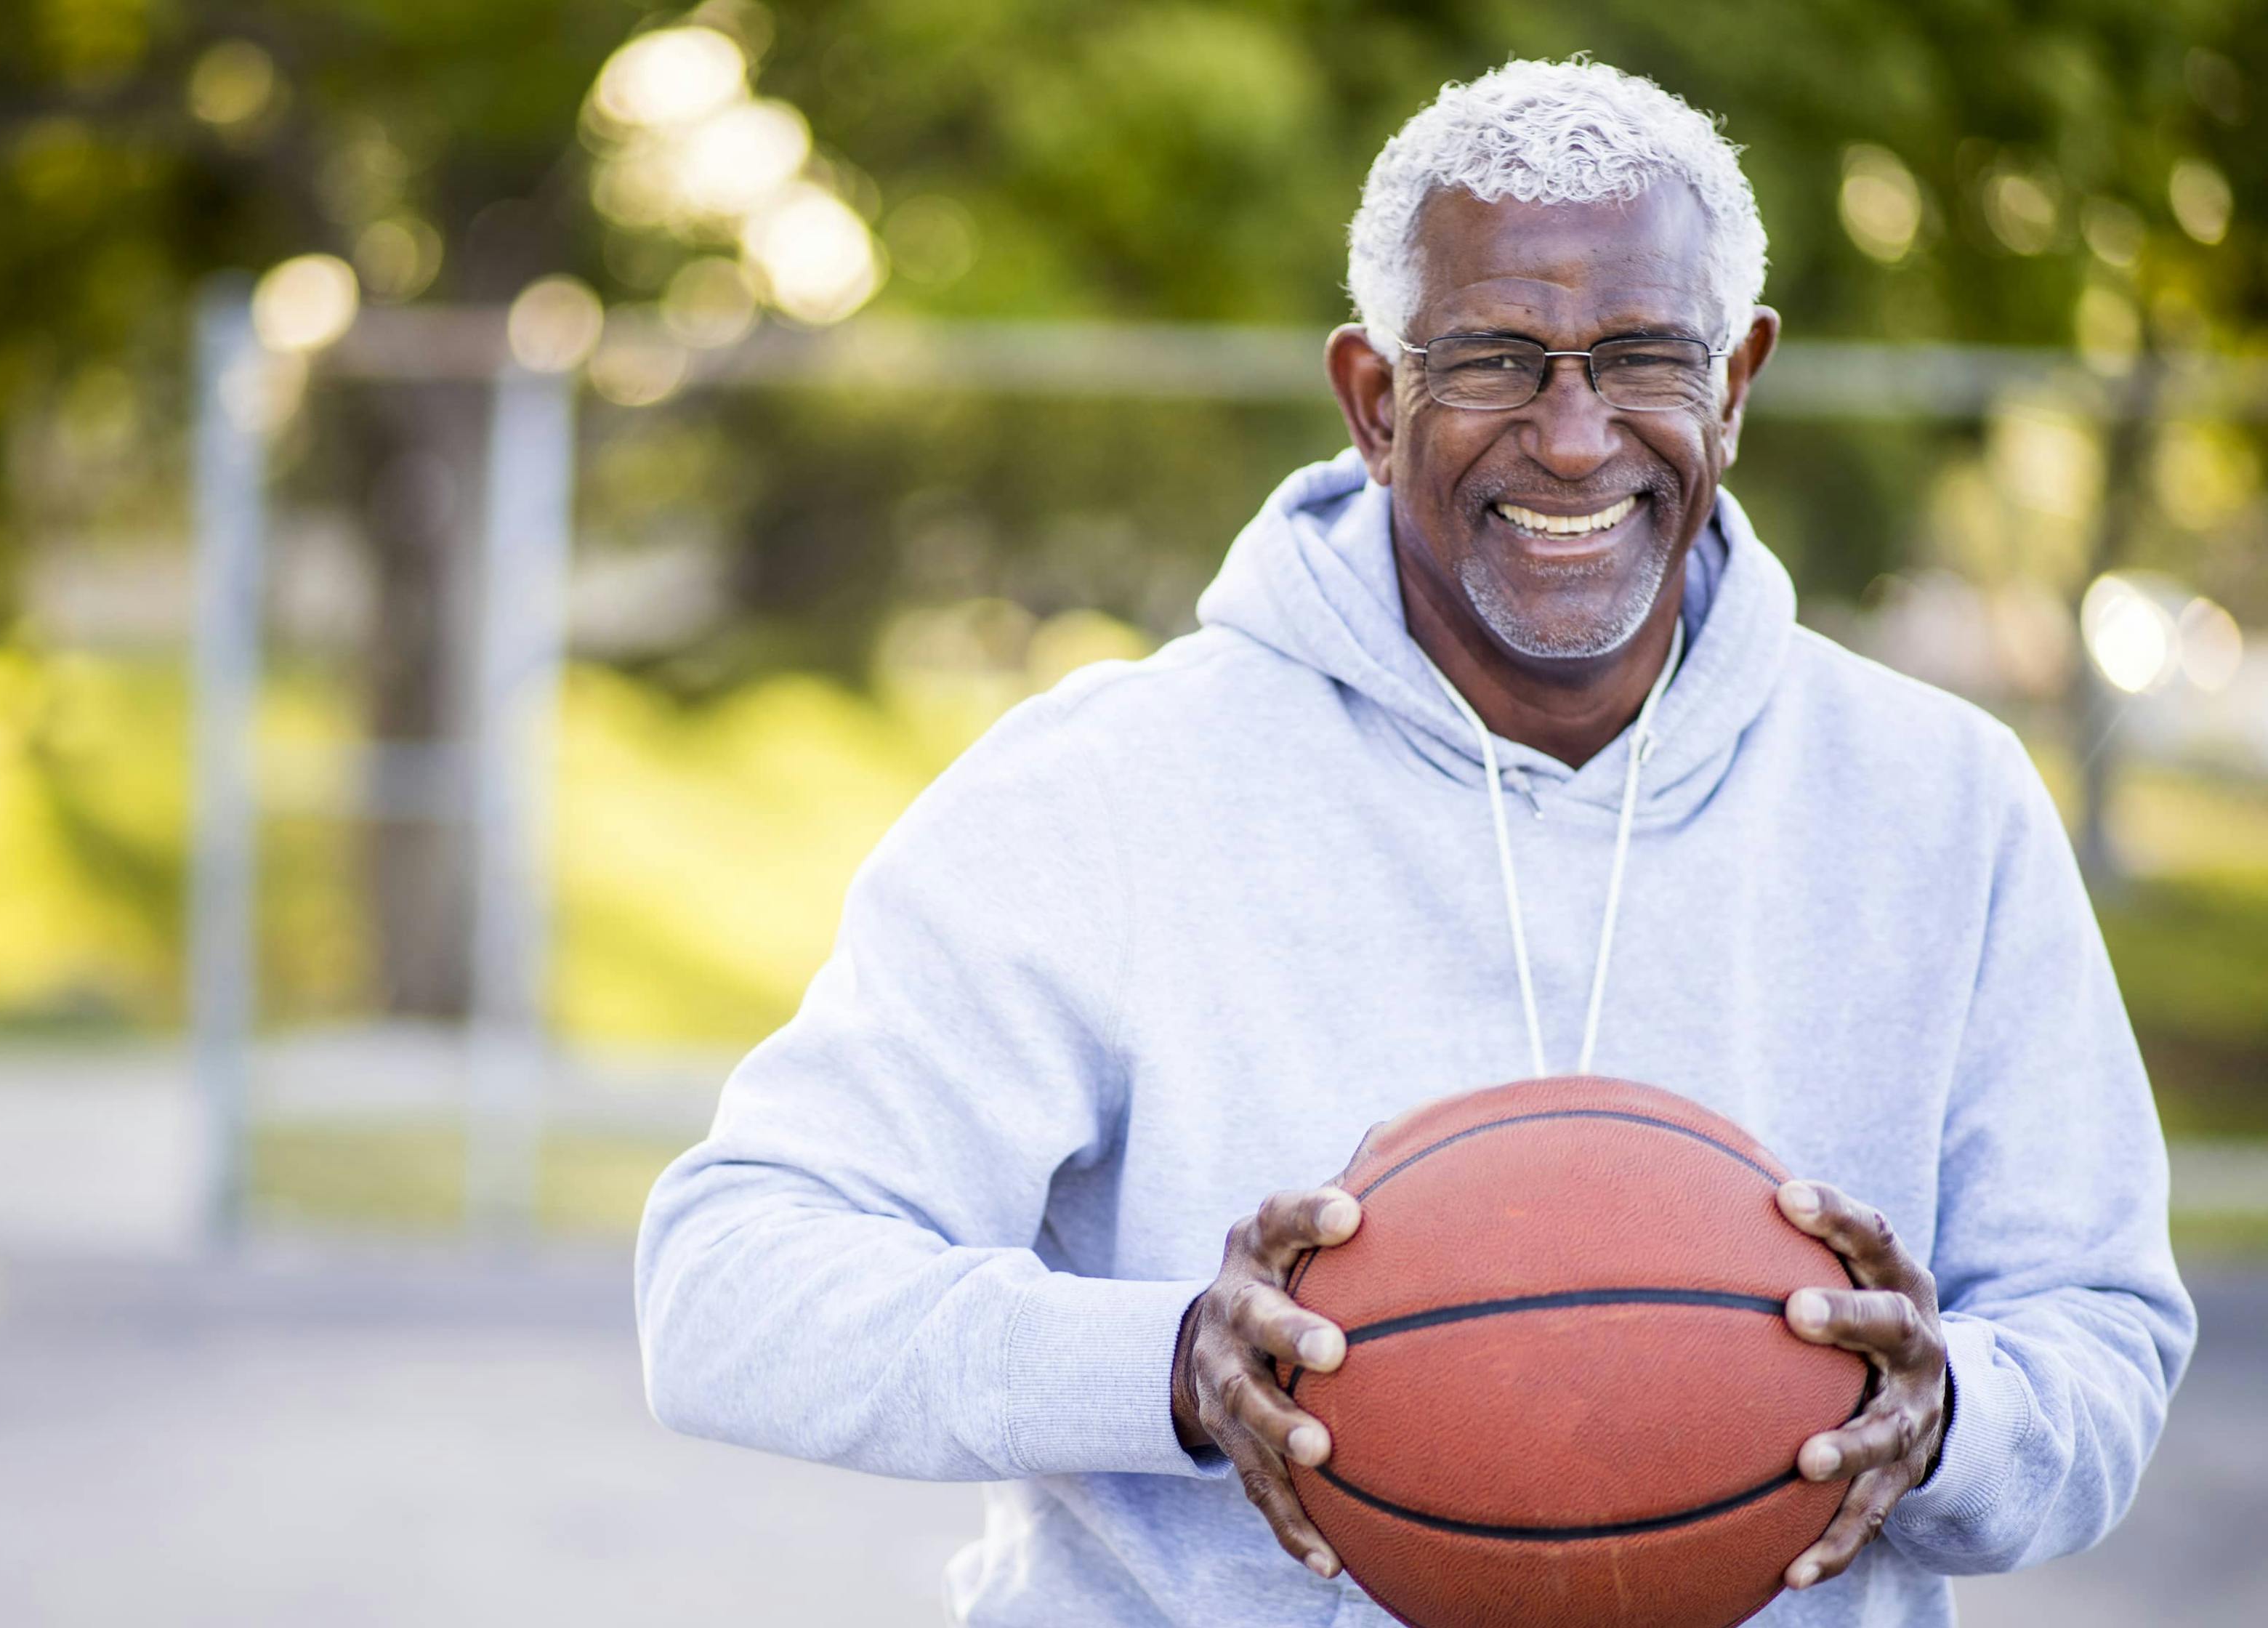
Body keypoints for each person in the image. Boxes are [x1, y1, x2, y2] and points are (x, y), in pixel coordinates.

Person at [633, 57, 2194, 1627]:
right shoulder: (1105, 792)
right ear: (1376, 402)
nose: (1575, 438)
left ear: (1736, 382)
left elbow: (2101, 1331)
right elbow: (729, 1284)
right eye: (1497, 362)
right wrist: (1172, 1361)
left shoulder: (1940, 804)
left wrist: (1952, 1419)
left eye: (1644, 356)